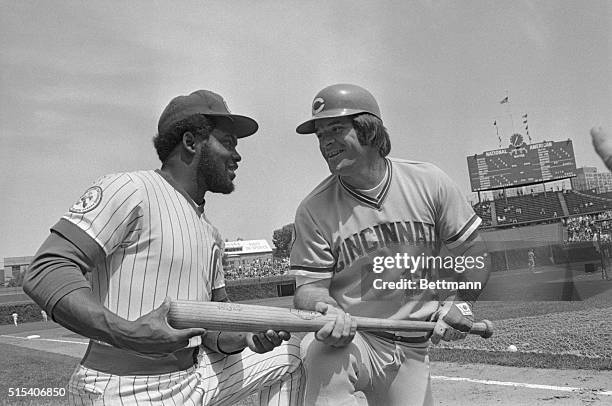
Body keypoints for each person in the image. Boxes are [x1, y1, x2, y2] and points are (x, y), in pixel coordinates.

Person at [23, 90, 304, 405]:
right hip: (124, 386)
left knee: (290, 353)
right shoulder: (130, 189)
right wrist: (127, 332)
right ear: (190, 142)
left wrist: (247, 336)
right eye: (227, 143)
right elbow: (47, 269)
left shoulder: (211, 232)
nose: (236, 155)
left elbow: (213, 327)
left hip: (193, 378)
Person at [289, 84, 491, 405]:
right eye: (319, 134)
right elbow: (309, 288)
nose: (325, 141)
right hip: (354, 341)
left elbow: (474, 254)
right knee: (323, 361)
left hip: (413, 346)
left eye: (336, 129)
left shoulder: (428, 182)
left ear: (368, 130)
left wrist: (460, 303)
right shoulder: (314, 209)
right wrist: (322, 308)